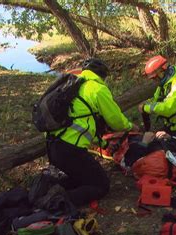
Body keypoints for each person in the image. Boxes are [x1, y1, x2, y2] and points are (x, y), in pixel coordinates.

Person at [44, 58, 137, 206]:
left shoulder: (71, 86)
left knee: (82, 179)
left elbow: (79, 124)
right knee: (101, 185)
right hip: (70, 150)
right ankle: (56, 203)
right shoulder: (97, 88)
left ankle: (46, 190)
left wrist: (103, 143)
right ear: (101, 75)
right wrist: (130, 126)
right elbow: (116, 120)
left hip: (52, 146)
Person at [138, 55, 176, 142]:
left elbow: (167, 108)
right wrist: (145, 103)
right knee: (152, 142)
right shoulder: (163, 87)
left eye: (155, 77)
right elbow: (155, 100)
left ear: (162, 71)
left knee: (170, 151)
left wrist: (145, 107)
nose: (154, 80)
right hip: (173, 127)